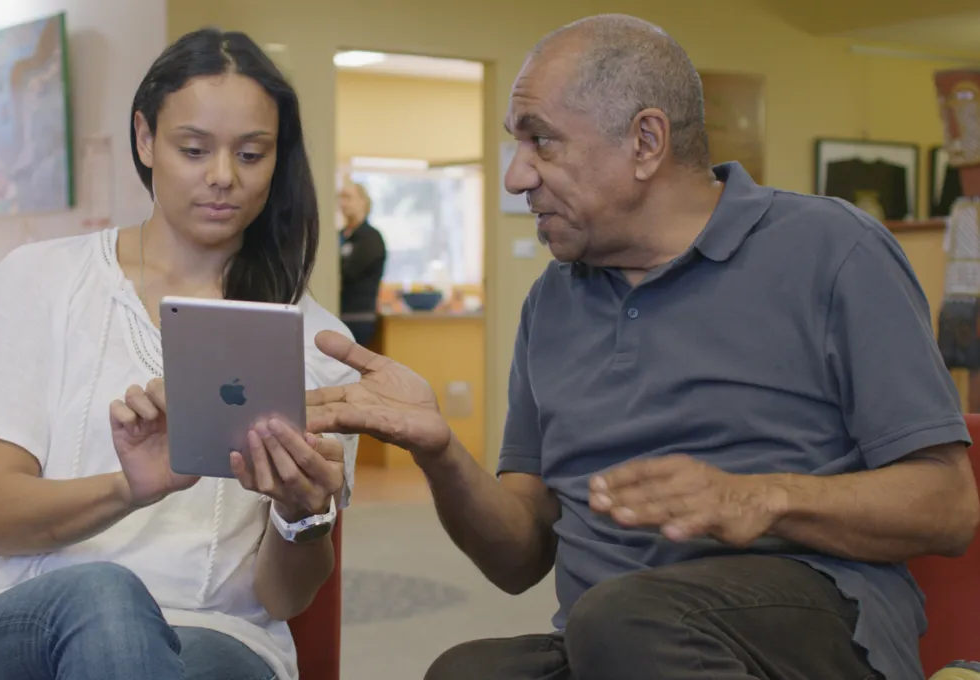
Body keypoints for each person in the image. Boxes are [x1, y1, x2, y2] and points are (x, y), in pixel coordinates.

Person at [305, 14, 980, 680]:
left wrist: (759, 498)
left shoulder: (833, 250)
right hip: (613, 641)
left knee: (625, 621)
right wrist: (442, 451)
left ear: (646, 141)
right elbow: (517, 561)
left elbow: (949, 507)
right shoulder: (552, 302)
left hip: (810, 627)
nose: (516, 177)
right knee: (468, 671)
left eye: (541, 141)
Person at [0, 27, 359, 680]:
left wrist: (304, 516)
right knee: (106, 595)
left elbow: (281, 598)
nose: (221, 177)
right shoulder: (39, 280)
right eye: (193, 148)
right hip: (22, 622)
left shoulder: (315, 345)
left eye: (250, 153)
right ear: (144, 138)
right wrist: (129, 489)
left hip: (217, 636)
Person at [337, 181, 387, 345]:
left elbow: (347, 272)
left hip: (358, 317)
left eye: (348, 197)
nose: (343, 203)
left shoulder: (371, 238)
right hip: (336, 313)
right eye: (340, 197)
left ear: (363, 202)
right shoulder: (339, 236)